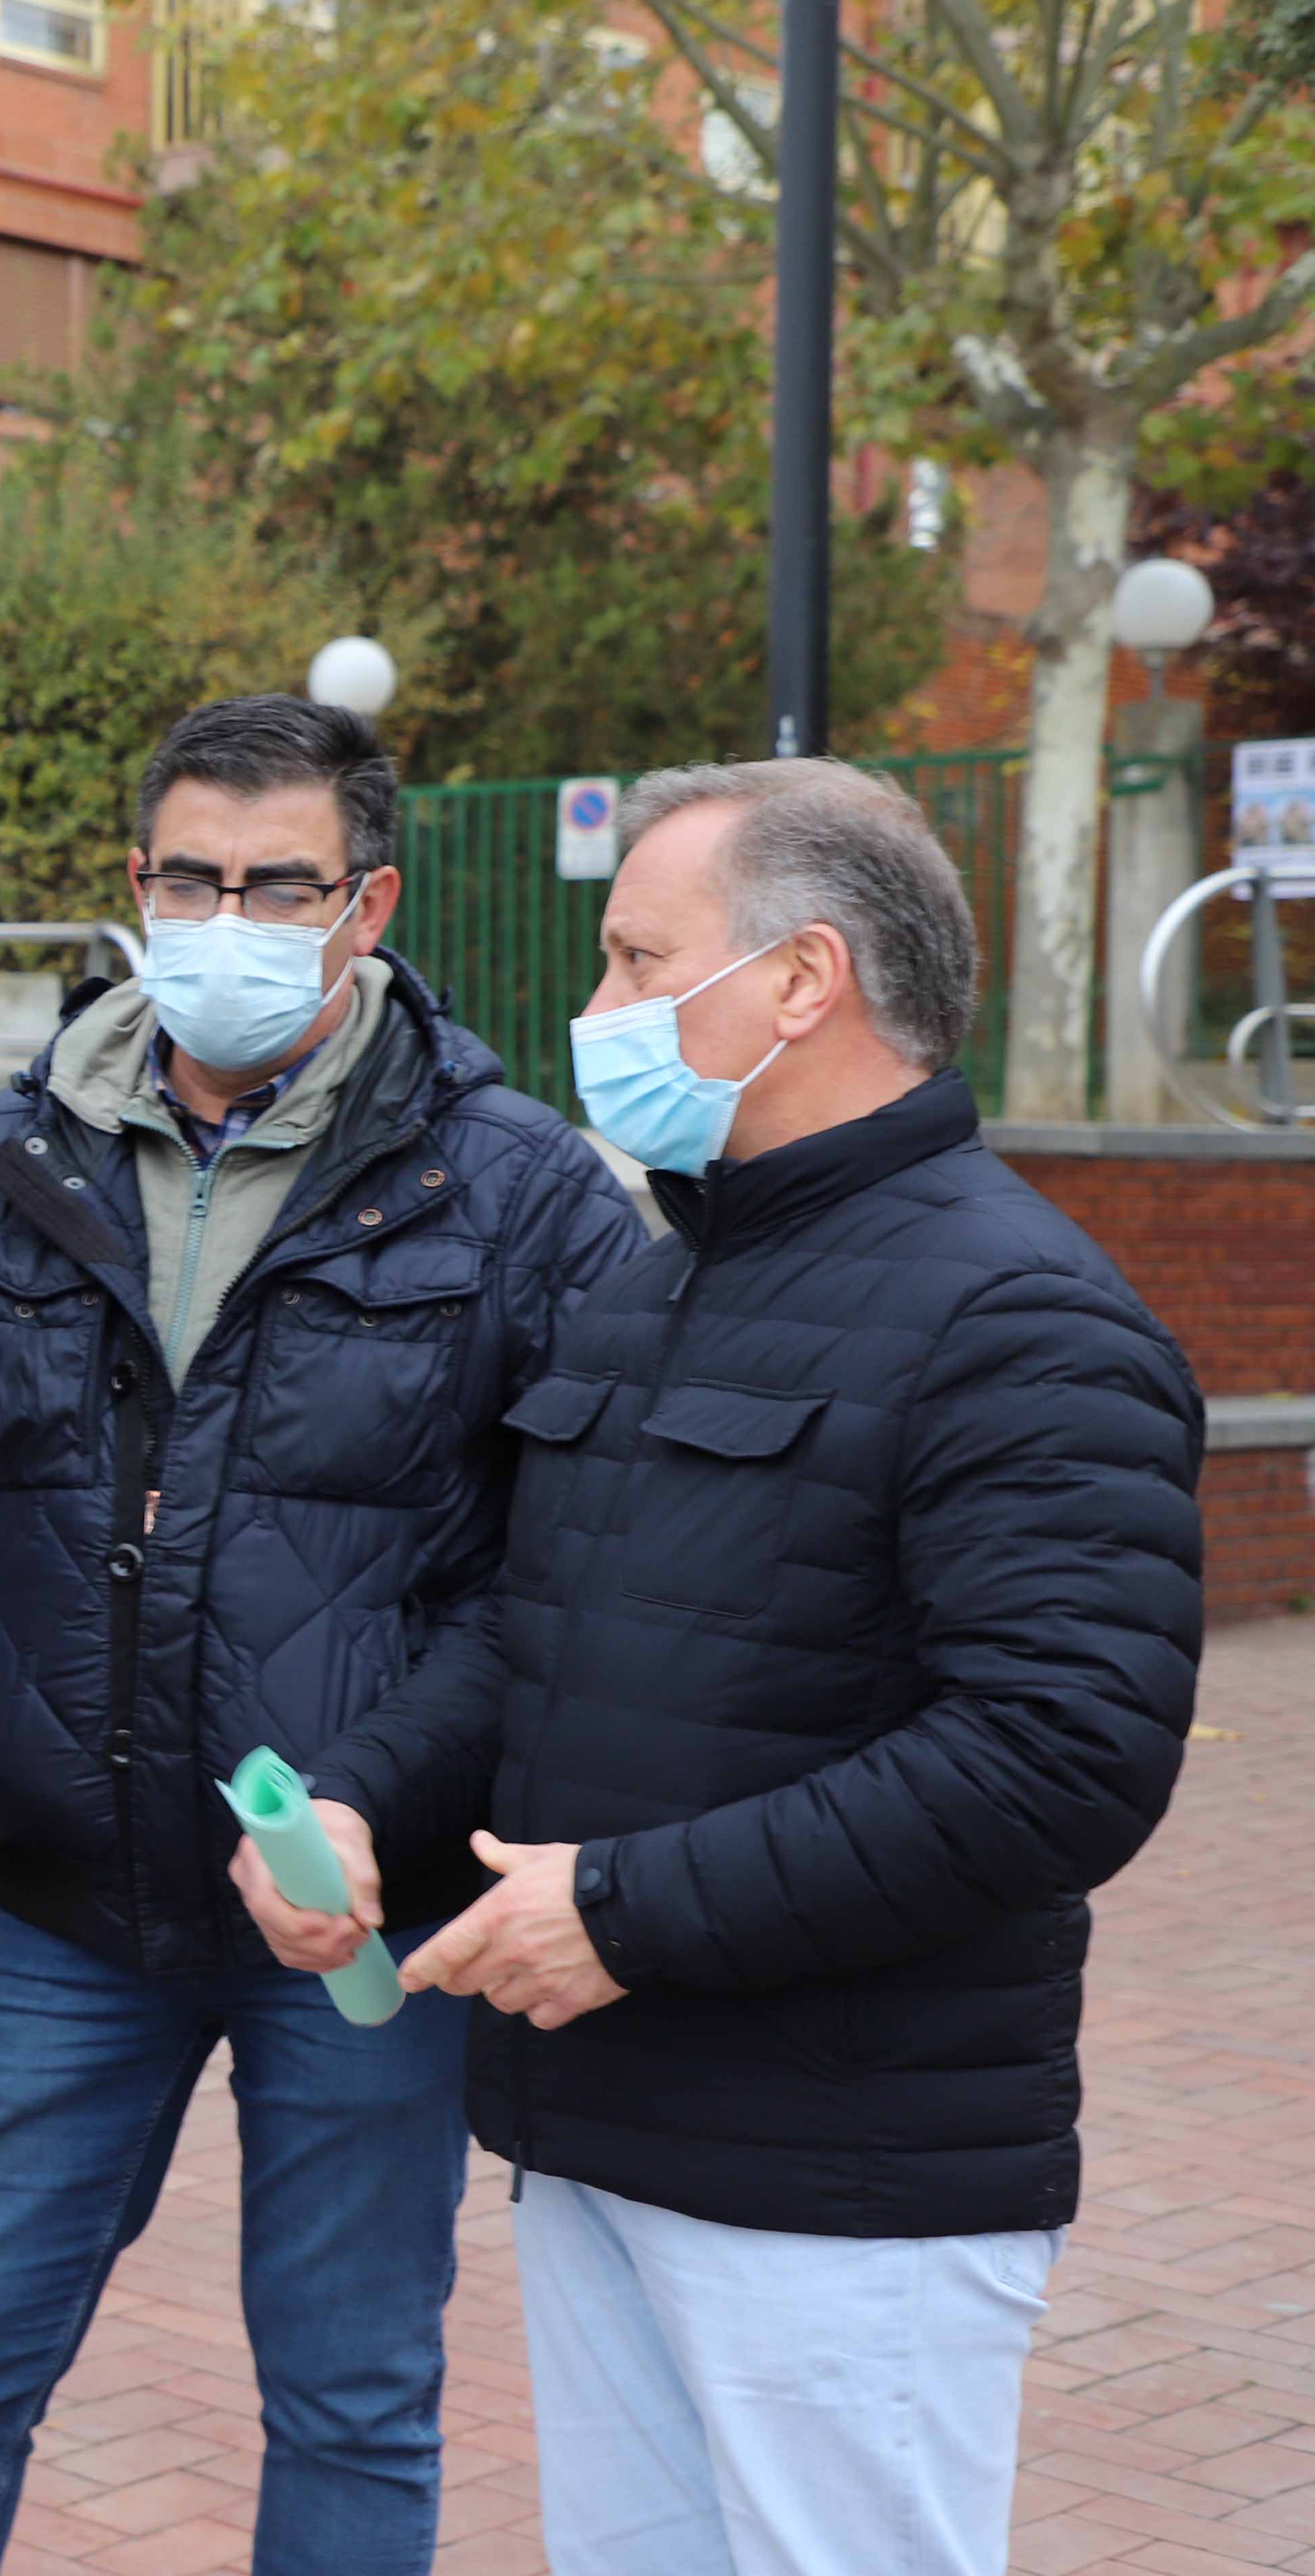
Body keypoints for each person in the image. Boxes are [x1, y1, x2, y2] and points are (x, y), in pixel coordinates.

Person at [244, 759, 1203, 2576]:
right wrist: (370, 1797)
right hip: (604, 2135)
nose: (589, 1014)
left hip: (841, 2187)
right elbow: (546, 1637)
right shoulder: (661, 1277)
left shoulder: (1022, 1315)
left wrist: (627, 1912)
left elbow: (1059, 1753)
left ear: (801, 981)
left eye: (630, 959)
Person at [0, 694, 645, 2576]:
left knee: (348, 2401)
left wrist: (373, 1799)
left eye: (280, 884)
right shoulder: (8, 1158)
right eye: (194, 877)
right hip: (63, 1914)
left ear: (369, 903)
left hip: (363, 1927)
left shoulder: (519, 1196)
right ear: (137, 884)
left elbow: (568, 1571)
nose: (228, 918)